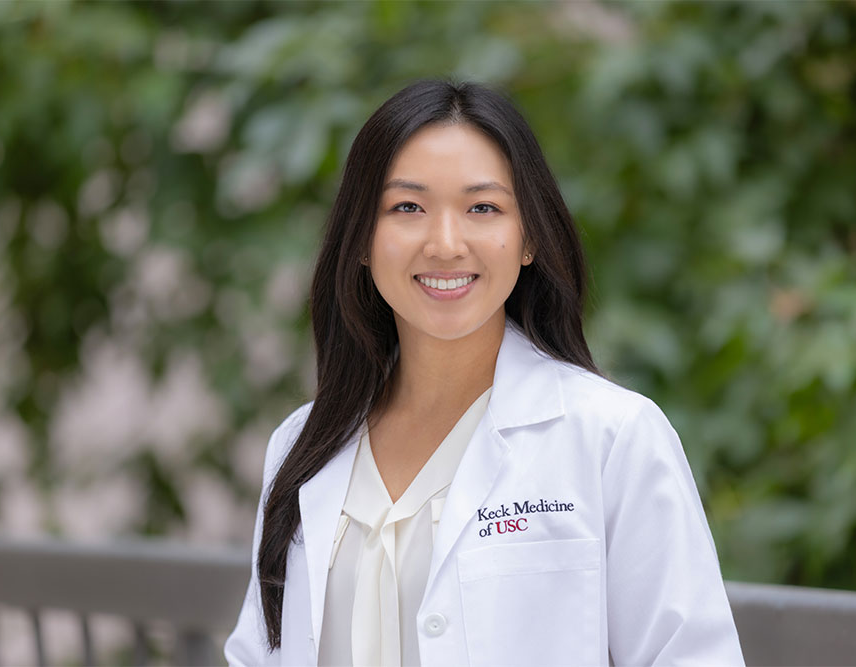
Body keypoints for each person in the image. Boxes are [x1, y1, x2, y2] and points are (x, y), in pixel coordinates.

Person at [224, 78, 745, 667]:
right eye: (408, 207)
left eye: (483, 208)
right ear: (363, 240)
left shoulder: (610, 438)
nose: (446, 244)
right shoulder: (302, 446)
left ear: (528, 239)